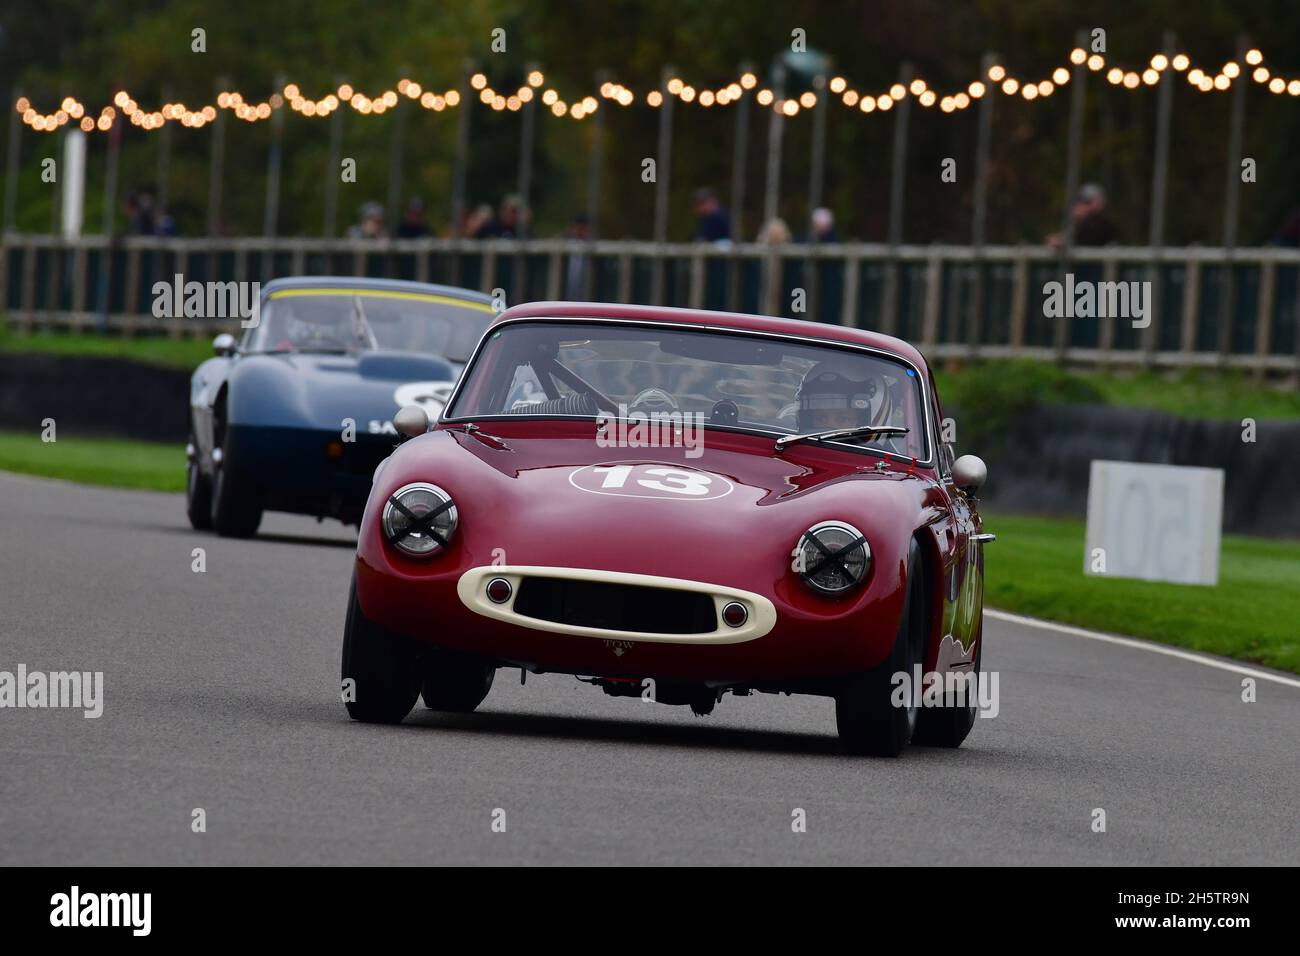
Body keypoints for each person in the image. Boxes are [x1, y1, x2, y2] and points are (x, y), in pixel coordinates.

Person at [1046, 183, 1118, 248]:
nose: (1081, 205)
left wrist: (1063, 243)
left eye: (1087, 201)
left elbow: (1089, 242)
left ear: (1100, 203)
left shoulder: (1104, 224)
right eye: (1080, 201)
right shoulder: (1081, 223)